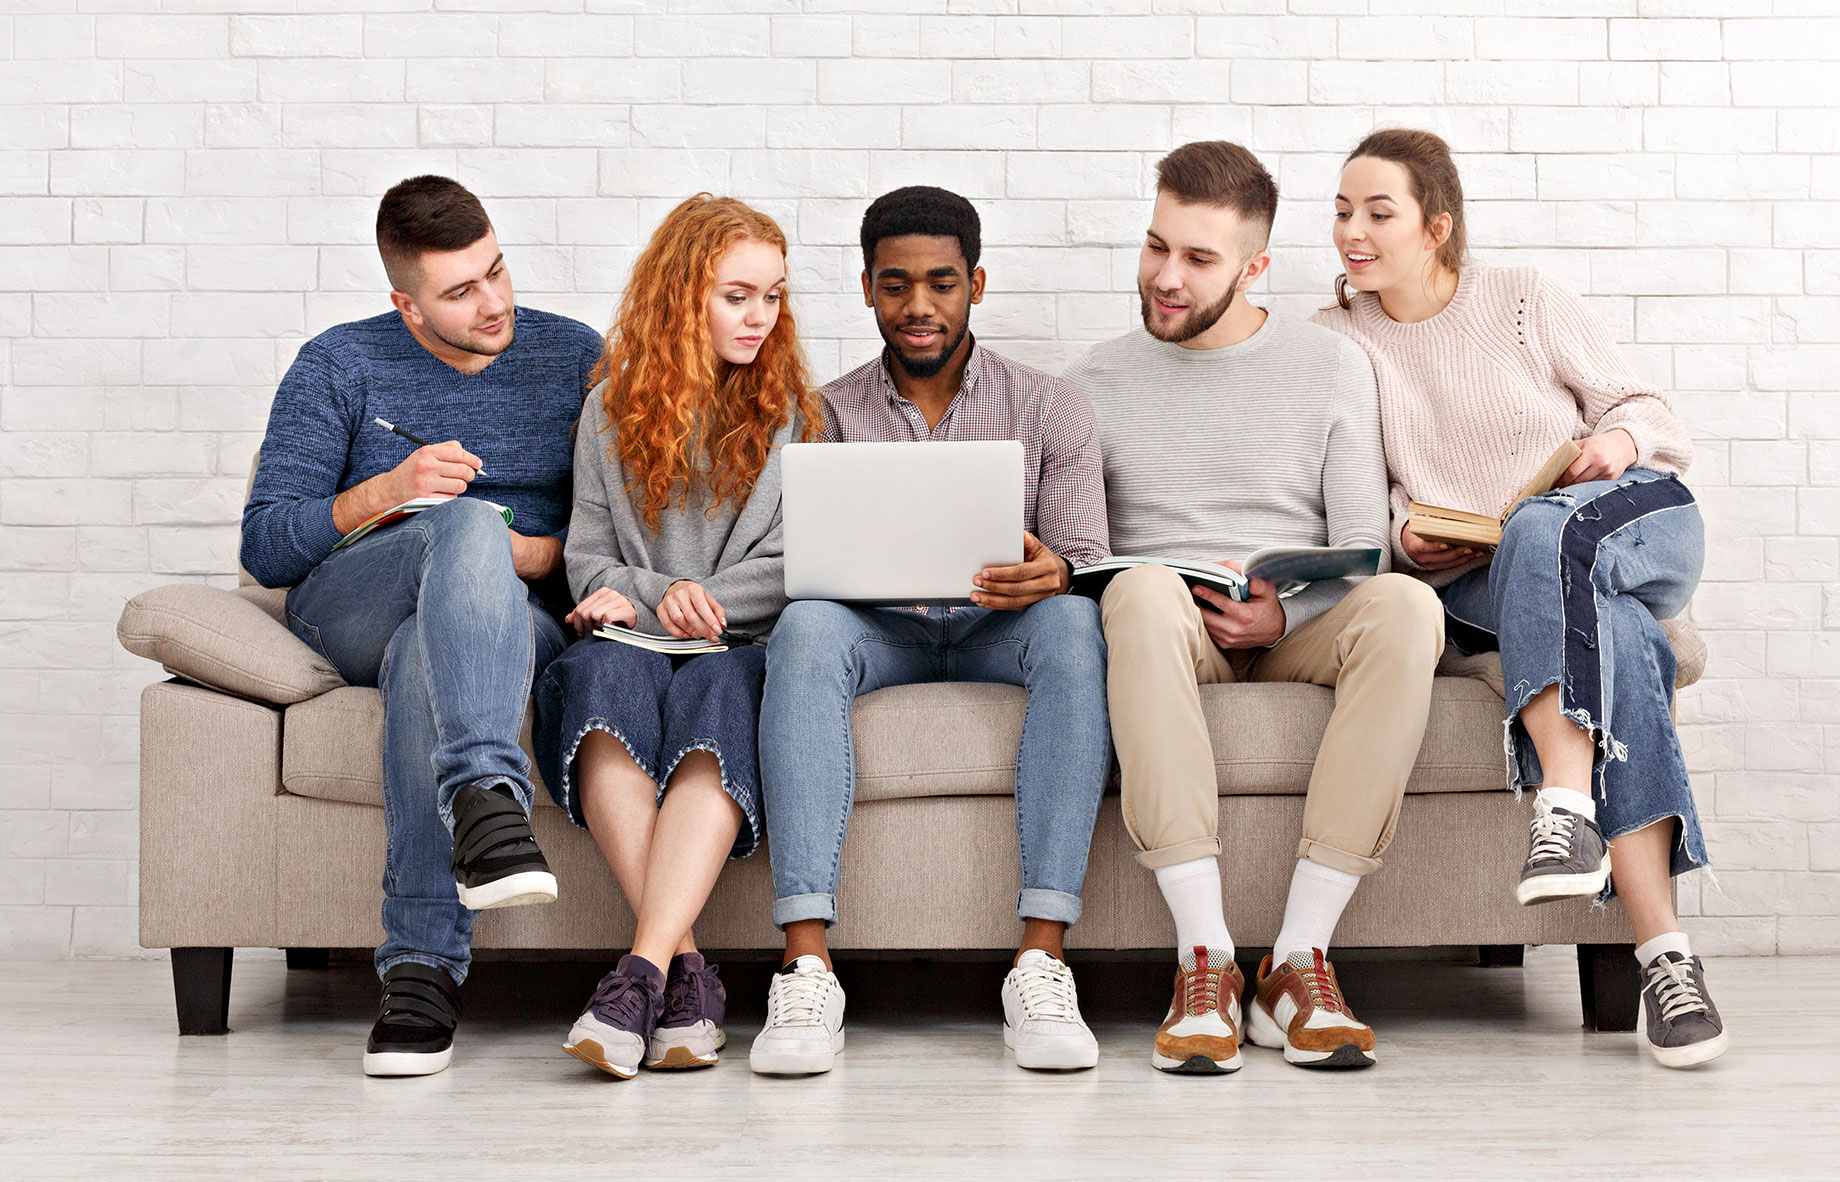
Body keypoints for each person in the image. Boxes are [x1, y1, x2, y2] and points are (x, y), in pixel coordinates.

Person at [1312, 128, 1725, 1069]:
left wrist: (1614, 444)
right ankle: (1665, 958)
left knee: (1544, 526)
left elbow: (1646, 411)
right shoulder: (1337, 340)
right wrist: (1404, 538)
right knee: (1625, 640)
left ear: (1437, 227)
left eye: (1378, 212)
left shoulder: (1524, 298)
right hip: (1486, 575)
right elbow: (1355, 491)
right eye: (1341, 212)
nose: (1351, 232)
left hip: (1628, 520)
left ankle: (1564, 807)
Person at [1065, 141, 1445, 1074]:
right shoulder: (1091, 382)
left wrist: (1285, 614)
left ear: (1255, 266)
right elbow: (1079, 556)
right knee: (1139, 588)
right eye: (1157, 246)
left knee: (1406, 606)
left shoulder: (1331, 365)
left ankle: (1300, 960)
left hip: (1293, 626)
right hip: (1167, 623)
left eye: (1199, 259)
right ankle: (1205, 961)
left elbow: (1361, 544)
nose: (1166, 277)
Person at [240, 175, 603, 1076]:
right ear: (407, 304)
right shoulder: (338, 364)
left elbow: (620, 532)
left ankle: (420, 970)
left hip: (513, 618)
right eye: (460, 291)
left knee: (425, 654)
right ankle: (486, 796)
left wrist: (532, 553)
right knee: (457, 531)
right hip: (356, 601)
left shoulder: (573, 356)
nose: (494, 303)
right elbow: (268, 546)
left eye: (497, 271)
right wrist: (387, 491)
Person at [748, 186, 1113, 1076]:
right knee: (803, 628)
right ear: (867, 288)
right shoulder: (822, 413)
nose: (919, 306)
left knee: (1074, 623)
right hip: (881, 633)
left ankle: (1041, 961)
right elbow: (794, 560)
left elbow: (1088, 560)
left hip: (1001, 628)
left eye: (941, 284)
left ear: (975, 285)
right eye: (896, 284)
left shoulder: (1050, 406)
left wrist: (1057, 572)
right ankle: (805, 967)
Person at [533, 195, 820, 1080]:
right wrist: (662, 597)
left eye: (772, 296)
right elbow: (587, 557)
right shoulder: (609, 411)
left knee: (721, 696)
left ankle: (642, 970)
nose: (759, 317)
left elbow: (799, 560)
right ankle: (687, 977)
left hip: (739, 643)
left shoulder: (795, 415)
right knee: (597, 683)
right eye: (737, 296)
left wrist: (700, 603)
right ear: (680, 297)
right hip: (632, 642)